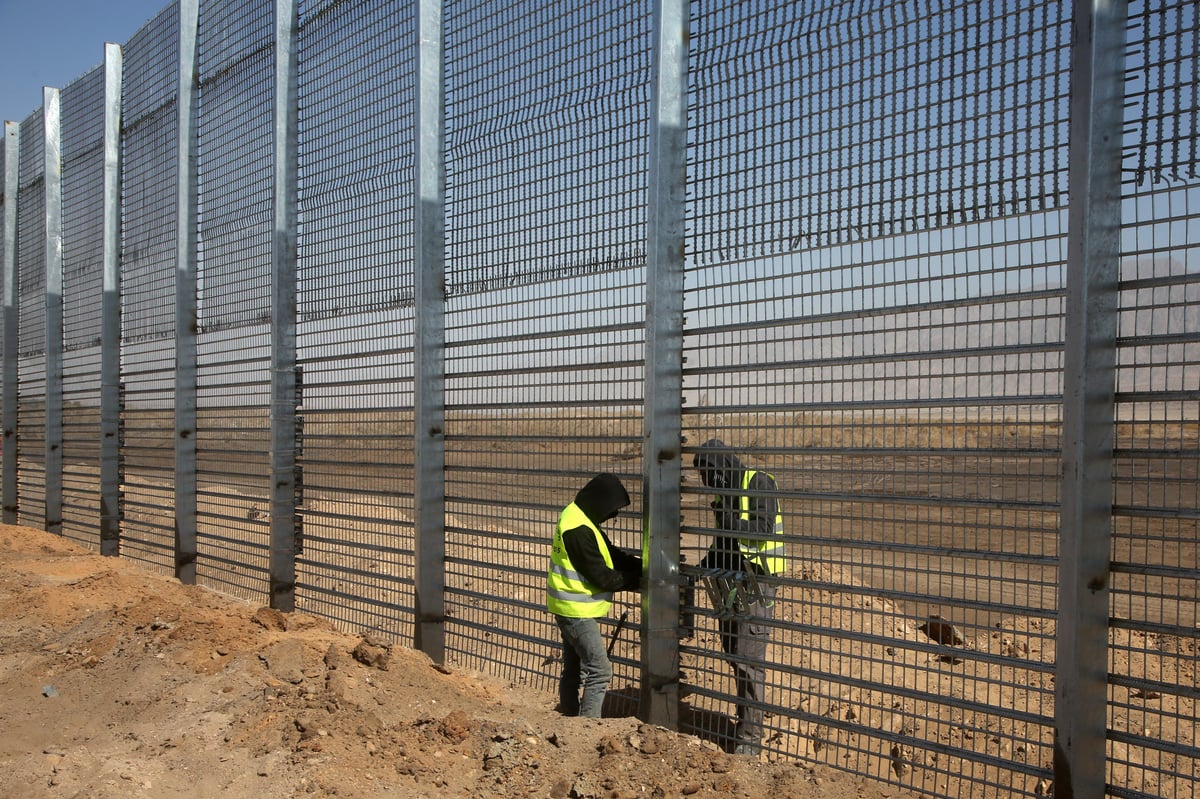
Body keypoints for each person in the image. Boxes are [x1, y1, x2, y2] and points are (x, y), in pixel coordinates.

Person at [693, 439, 785, 756]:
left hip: (757, 583)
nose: (706, 483)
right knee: (734, 654)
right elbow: (724, 544)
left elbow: (761, 530)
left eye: (707, 475)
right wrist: (702, 567)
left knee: (749, 660)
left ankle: (750, 740)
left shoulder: (758, 482)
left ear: (719, 469)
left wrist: (727, 517)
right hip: (732, 585)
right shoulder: (724, 493)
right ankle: (746, 721)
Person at [547, 472, 643, 718]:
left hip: (569, 606)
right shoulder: (578, 530)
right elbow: (603, 577)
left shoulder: (578, 516)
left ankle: (569, 717)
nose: (612, 517)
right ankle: (587, 728)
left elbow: (610, 554)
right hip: (576, 611)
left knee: (573, 668)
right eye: (611, 510)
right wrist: (639, 579)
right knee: (600, 670)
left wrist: (639, 566)